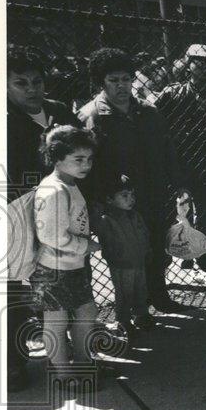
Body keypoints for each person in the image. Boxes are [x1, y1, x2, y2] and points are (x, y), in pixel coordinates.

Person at [79, 47, 186, 316]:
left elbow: (167, 150)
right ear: (102, 82)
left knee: (157, 248)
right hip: (117, 201)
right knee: (126, 257)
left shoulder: (148, 112)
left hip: (152, 192)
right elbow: (87, 164)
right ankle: (130, 312)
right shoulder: (92, 116)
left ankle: (158, 296)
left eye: (126, 79)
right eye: (113, 80)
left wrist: (178, 184)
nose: (121, 85)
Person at [6, 45, 80, 391]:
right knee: (17, 289)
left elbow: (85, 150)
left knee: (66, 284)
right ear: (6, 86)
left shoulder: (60, 111)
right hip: (19, 212)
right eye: (21, 83)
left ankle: (66, 358)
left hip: (62, 211)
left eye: (36, 81)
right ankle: (13, 364)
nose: (32, 89)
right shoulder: (0, 120)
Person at [29, 126, 104, 376]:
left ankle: (83, 362)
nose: (87, 165)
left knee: (86, 311)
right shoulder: (54, 190)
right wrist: (87, 246)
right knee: (56, 322)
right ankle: (62, 373)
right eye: (78, 159)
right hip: (53, 268)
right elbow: (51, 236)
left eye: (90, 159)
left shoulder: (68, 184)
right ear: (57, 158)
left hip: (72, 265)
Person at [154, 43, 206, 276]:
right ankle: (174, 258)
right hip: (177, 162)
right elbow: (157, 124)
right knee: (176, 213)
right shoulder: (172, 93)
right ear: (188, 65)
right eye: (198, 62)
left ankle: (204, 258)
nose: (203, 68)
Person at [91, 173, 152, 336]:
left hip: (138, 260)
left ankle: (141, 314)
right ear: (110, 199)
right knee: (124, 293)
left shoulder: (135, 216)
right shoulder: (107, 219)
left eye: (132, 195)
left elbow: (144, 234)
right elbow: (107, 242)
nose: (130, 199)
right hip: (122, 264)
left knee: (141, 289)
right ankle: (123, 320)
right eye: (124, 195)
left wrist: (146, 250)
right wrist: (116, 258)